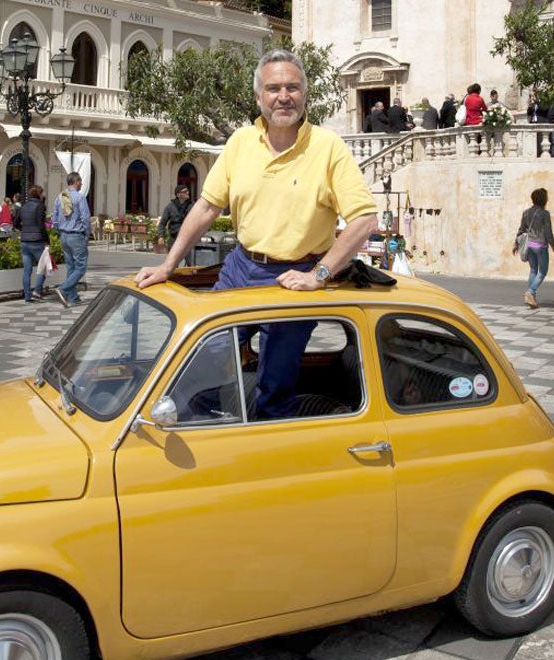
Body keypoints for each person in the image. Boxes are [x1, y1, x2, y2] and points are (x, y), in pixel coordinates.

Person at [135, 49, 377, 420]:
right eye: (273, 88)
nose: (284, 96)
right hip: (241, 268)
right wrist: (168, 264)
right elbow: (206, 207)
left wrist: (319, 275)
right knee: (202, 360)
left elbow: (364, 219)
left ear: (305, 94)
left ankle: (265, 445)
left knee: (275, 385)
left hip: (296, 278)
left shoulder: (328, 147)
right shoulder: (241, 142)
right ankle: (205, 431)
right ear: (258, 97)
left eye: (293, 87)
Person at [513, 188, 554, 310]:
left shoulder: (526, 212)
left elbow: (521, 229)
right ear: (543, 199)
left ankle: (531, 299)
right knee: (542, 272)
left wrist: (516, 243)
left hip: (529, 245)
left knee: (533, 270)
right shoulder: (544, 214)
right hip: (540, 246)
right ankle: (530, 292)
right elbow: (548, 233)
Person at [52, 172, 91, 308]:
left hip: (64, 235)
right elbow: (85, 218)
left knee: (71, 267)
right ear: (75, 181)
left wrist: (59, 231)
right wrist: (87, 234)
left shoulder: (60, 197)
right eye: (80, 181)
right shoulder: (80, 197)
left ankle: (73, 297)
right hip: (76, 235)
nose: (81, 184)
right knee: (81, 267)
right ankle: (63, 289)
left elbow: (54, 218)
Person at [18, 185, 49, 302]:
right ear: (38, 194)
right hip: (37, 241)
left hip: (25, 241)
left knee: (27, 271)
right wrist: (47, 240)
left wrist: (24, 230)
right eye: (42, 193)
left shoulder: (24, 206)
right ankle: (37, 290)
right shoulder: (39, 206)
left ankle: (27, 296)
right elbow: (41, 225)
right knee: (44, 267)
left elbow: (16, 222)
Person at [156, 184, 192, 250]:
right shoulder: (170, 207)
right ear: (178, 194)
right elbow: (162, 223)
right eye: (185, 191)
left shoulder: (192, 206)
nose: (187, 193)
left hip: (188, 237)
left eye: (187, 191)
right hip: (174, 237)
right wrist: (161, 236)